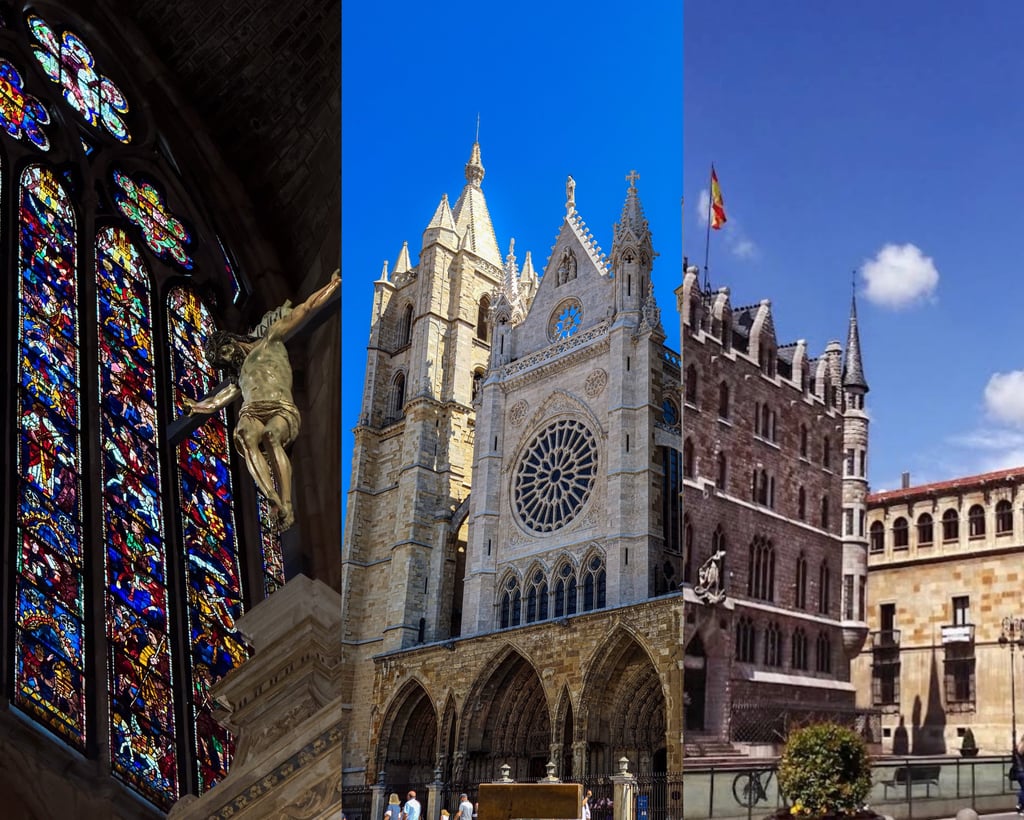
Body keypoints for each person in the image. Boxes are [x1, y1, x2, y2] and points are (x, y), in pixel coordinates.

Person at [186, 269, 340, 530]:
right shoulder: (240, 375)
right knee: (245, 435)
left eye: (225, 349)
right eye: (222, 358)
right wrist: (196, 407)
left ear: (232, 340)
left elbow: (306, 308)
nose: (227, 355)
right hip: (252, 409)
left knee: (271, 436)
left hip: (280, 406)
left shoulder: (271, 339)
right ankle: (271, 496)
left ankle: (287, 502)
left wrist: (333, 285)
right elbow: (217, 401)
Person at [1014, 738, 1024, 814]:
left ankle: (1019, 805)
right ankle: (1021, 806)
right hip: (1023, 772)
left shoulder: (1018, 747)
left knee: (1023, 789)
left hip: (1018, 772)